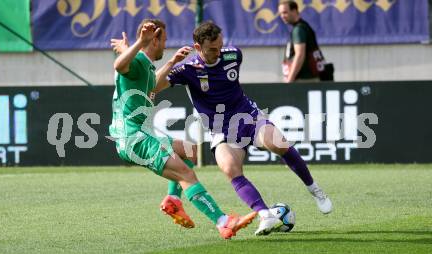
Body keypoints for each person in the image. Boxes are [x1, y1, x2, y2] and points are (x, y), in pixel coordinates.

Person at [112, 21, 332, 236]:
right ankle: (263, 215)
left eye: (220, 46)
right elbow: (153, 86)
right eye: (212, 49)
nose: (218, 53)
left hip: (249, 117)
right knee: (227, 169)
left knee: (275, 144)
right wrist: (170, 62)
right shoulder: (186, 69)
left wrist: (132, 50)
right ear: (198, 48)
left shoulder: (233, 55)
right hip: (219, 131)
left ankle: (315, 190)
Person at [109, 19, 256, 240]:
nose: (166, 44)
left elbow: (147, 83)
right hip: (135, 138)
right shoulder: (138, 60)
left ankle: (174, 201)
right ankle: (223, 222)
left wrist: (170, 62)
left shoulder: (144, 62)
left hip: (141, 133)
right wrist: (139, 42)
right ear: (154, 39)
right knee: (186, 174)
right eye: (164, 40)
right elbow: (120, 66)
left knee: (189, 150)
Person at [279, 0, 328, 83]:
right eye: (280, 14)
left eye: (285, 12)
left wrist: (290, 80)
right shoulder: (302, 27)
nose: (282, 16)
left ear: (294, 11)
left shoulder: (299, 29)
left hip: (303, 80)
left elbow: (300, 55)